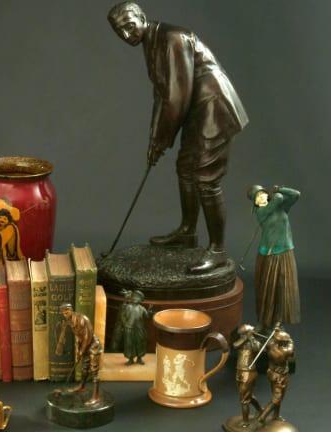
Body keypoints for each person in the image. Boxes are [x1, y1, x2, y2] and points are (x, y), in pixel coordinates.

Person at [108, 2, 249, 273]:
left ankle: (217, 250)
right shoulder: (151, 43)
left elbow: (176, 97)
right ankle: (187, 232)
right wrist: (155, 138)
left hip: (214, 108)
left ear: (141, 17)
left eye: (129, 26)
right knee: (185, 168)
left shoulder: (172, 38)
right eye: (119, 32)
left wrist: (164, 140)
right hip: (197, 110)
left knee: (206, 179)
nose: (126, 35)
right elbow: (161, 95)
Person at [247, 185, 301, 329]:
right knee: (268, 289)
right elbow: (277, 199)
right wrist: (277, 193)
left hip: (285, 251)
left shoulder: (282, 208)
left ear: (267, 195)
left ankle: (278, 320)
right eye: (257, 197)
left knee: (282, 288)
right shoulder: (261, 212)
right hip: (269, 255)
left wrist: (281, 188)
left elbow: (296, 194)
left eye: (262, 194)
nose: (261, 197)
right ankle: (265, 321)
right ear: (255, 203)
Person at [55, 303, 102, 407]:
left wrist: (82, 350)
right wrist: (77, 351)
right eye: (63, 313)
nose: (65, 315)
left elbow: (87, 337)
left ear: (71, 310)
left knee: (94, 371)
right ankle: (82, 386)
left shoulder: (82, 319)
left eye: (67, 312)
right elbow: (77, 337)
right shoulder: (70, 321)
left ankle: (96, 396)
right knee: (84, 368)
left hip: (93, 346)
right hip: (84, 346)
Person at [257, 327, 294, 425]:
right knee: (277, 399)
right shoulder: (279, 352)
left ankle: (276, 415)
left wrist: (277, 332)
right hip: (279, 377)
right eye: (285, 341)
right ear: (281, 342)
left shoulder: (271, 345)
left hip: (276, 374)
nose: (287, 342)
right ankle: (262, 417)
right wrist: (290, 342)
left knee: (278, 397)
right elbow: (290, 351)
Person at [110, 289, 152, 365]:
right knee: (129, 343)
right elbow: (122, 316)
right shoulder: (128, 307)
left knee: (140, 342)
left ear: (141, 300)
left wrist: (149, 311)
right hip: (129, 328)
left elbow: (147, 316)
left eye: (138, 297)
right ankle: (130, 358)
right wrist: (125, 324)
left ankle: (139, 357)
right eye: (134, 296)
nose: (135, 298)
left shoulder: (141, 308)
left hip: (139, 328)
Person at [232, 323, 262, 425]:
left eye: (243, 334)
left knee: (244, 399)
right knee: (247, 395)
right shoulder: (241, 343)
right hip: (240, 371)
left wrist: (251, 338)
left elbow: (257, 348)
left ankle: (245, 422)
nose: (241, 336)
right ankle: (260, 410)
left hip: (249, 372)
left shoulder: (254, 343)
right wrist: (245, 338)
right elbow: (235, 345)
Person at [0, 199, 24, 264]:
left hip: (13, 261)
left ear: (9, 219)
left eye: (5, 218)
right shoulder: (2, 228)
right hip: (7, 261)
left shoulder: (10, 227)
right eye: (0, 218)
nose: (2, 220)